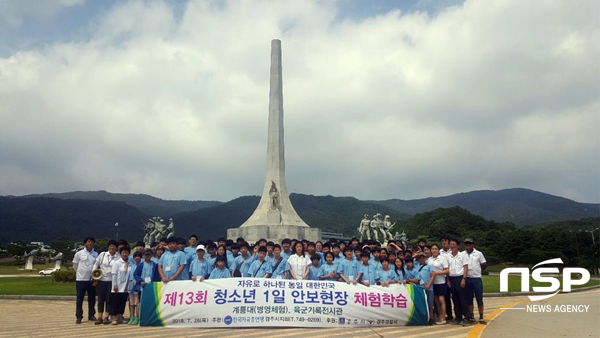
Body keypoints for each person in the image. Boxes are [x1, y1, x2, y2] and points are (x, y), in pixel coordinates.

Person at [73, 236, 98, 324]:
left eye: (92, 242)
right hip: (81, 279)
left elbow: (97, 266)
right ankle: (79, 316)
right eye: (88, 241)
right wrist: (80, 273)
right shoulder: (79, 254)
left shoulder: (96, 254)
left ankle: (91, 315)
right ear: (85, 243)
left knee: (92, 299)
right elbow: (75, 265)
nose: (90, 243)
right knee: (80, 299)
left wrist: (95, 279)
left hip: (91, 280)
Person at [92, 239, 118, 325]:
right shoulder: (103, 254)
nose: (112, 247)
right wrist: (94, 275)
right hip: (101, 279)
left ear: (116, 248)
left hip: (111, 281)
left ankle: (106, 317)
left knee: (109, 299)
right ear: (108, 247)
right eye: (110, 246)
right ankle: (99, 317)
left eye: (114, 246)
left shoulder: (118, 256)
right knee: (100, 299)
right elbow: (96, 264)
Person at [463, 238, 487, 324]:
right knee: (469, 299)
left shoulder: (479, 253)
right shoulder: (462, 254)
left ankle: (481, 316)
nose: (468, 245)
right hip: (467, 278)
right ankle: (471, 315)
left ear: (473, 244)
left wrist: (478, 270)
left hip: (476, 278)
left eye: (470, 243)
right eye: (466, 244)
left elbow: (484, 264)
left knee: (479, 298)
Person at [447, 238, 470, 325]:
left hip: (460, 278)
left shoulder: (462, 255)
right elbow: (447, 269)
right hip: (452, 279)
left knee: (462, 298)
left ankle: (466, 317)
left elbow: (465, 267)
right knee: (455, 299)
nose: (452, 246)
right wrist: (448, 280)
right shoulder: (448, 256)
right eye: (451, 244)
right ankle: (458, 317)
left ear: (457, 246)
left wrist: (464, 279)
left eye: (453, 244)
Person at [428, 243, 450, 325]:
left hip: (440, 282)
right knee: (436, 301)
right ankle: (440, 316)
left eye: (435, 249)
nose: (434, 250)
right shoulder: (429, 260)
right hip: (432, 283)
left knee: (441, 300)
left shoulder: (442, 259)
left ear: (438, 250)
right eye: (432, 249)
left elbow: (447, 271)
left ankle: (443, 317)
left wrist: (436, 273)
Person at [110, 246, 130, 325]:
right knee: (115, 302)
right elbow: (114, 274)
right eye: (123, 253)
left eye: (126, 253)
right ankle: (113, 317)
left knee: (122, 302)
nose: (125, 254)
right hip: (117, 287)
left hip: (125, 287)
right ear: (120, 253)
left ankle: (120, 316)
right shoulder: (117, 263)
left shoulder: (130, 263)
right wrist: (115, 285)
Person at [416, 252, 435, 325]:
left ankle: (431, 318)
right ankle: (423, 318)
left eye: (423, 257)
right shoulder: (416, 266)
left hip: (429, 288)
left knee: (430, 304)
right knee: (422, 304)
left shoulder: (429, 266)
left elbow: (433, 276)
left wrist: (429, 285)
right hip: (419, 288)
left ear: (425, 258)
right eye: (420, 258)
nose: (422, 259)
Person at [127, 251, 142, 325]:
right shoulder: (131, 266)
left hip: (137, 285)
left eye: (138, 256)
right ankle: (131, 317)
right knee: (131, 302)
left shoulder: (142, 266)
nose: (137, 257)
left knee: (137, 302)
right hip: (131, 284)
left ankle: (137, 317)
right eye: (135, 256)